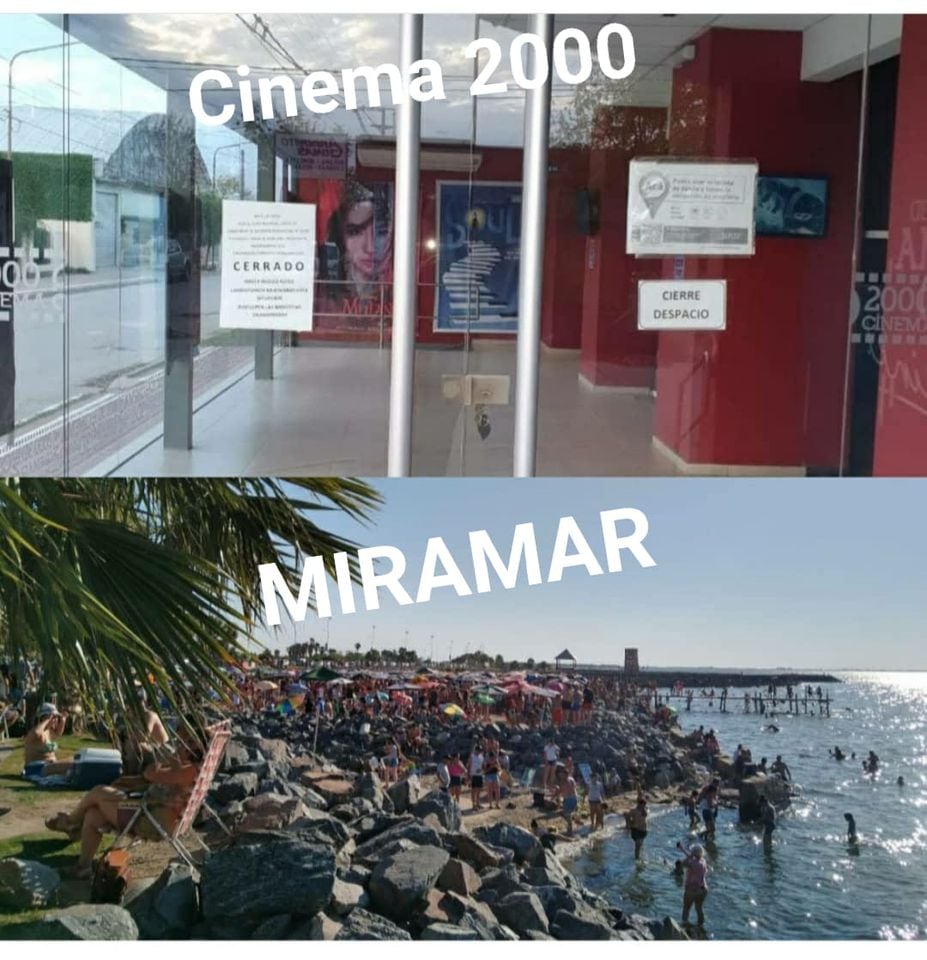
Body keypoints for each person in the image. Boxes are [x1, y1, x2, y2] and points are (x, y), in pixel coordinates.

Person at [45, 734, 202, 879]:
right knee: (93, 814)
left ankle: (70, 822)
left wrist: (171, 761)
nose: (182, 745)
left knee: (98, 792)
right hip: (151, 814)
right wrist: (173, 762)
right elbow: (153, 774)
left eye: (188, 743)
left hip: (149, 822)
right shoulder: (189, 770)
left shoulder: (187, 772)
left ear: (195, 750)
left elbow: (149, 773)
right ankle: (83, 866)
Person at [23, 703, 72, 775]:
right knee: (72, 765)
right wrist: (47, 720)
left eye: (56, 717)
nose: (55, 720)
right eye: (54, 717)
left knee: (76, 759)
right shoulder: (34, 732)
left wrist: (63, 720)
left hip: (48, 766)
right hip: (36, 768)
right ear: (44, 718)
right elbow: (37, 733)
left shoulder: (48, 731)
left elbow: (58, 733)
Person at [677, 842, 709, 927]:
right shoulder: (703, 861)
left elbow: (682, 864)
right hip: (703, 889)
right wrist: (684, 851)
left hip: (692, 889)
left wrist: (688, 856)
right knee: (699, 908)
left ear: (693, 853)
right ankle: (700, 925)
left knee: (686, 908)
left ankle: (684, 925)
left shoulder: (692, 863)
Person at [553, 766, 578, 837]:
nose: (562, 775)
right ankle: (570, 828)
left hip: (571, 799)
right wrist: (555, 795)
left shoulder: (569, 780)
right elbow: (560, 791)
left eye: (563, 774)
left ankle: (570, 831)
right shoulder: (562, 781)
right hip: (567, 799)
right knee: (566, 815)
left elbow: (572, 790)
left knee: (567, 815)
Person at [468, 744, 485, 810]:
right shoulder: (472, 756)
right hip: (473, 775)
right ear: (475, 750)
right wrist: (468, 775)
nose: (479, 751)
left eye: (480, 750)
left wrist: (482, 770)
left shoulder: (481, 757)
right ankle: (473, 804)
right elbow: (469, 765)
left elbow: (483, 765)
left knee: (479, 790)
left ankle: (478, 803)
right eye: (478, 750)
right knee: (473, 790)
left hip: (480, 775)